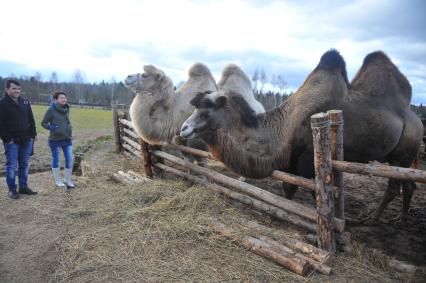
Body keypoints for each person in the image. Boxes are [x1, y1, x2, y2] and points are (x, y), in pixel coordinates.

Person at [0, 79, 38, 199]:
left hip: (26, 139)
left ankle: (23, 187)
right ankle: (12, 190)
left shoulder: (25, 102)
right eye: (14, 88)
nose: (17, 91)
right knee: (12, 166)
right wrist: (7, 139)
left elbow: (31, 119)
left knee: (24, 164)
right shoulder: (2, 103)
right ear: (7, 89)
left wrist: (33, 135)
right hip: (12, 141)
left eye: (18, 89)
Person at [41, 91, 75, 191]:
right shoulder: (51, 109)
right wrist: (53, 127)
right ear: (56, 99)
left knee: (69, 159)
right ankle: (58, 180)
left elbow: (66, 121)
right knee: (56, 159)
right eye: (61, 98)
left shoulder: (66, 108)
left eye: (65, 97)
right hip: (55, 140)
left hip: (67, 138)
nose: (64, 99)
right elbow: (43, 123)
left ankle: (68, 180)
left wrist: (69, 127)